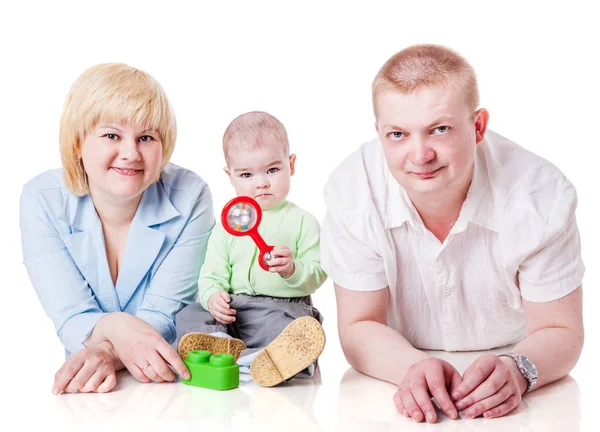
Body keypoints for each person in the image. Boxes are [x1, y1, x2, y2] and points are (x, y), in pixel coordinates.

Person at [320, 44, 585, 422]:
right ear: (378, 132)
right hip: (391, 384)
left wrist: (519, 369)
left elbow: (560, 329)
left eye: (439, 129)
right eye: (398, 134)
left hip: (520, 393)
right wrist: (411, 367)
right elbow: (360, 324)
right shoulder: (352, 191)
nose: (420, 154)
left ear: (478, 127)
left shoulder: (540, 194)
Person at [19, 63, 215, 394]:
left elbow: (166, 315)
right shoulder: (41, 198)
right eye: (111, 135)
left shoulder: (191, 195)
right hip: (88, 390)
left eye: (146, 137)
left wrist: (108, 347)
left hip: (168, 387)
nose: (130, 153)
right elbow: (70, 316)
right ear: (78, 143)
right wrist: (117, 328)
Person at [175, 111, 327, 387]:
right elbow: (211, 275)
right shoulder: (228, 225)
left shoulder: (303, 221)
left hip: (281, 308)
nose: (261, 182)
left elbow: (318, 273)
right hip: (234, 310)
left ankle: (263, 362)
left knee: (296, 330)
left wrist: (293, 270)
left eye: (272, 170)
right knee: (190, 313)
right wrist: (213, 298)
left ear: (291, 165)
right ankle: (223, 346)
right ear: (229, 176)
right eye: (246, 174)